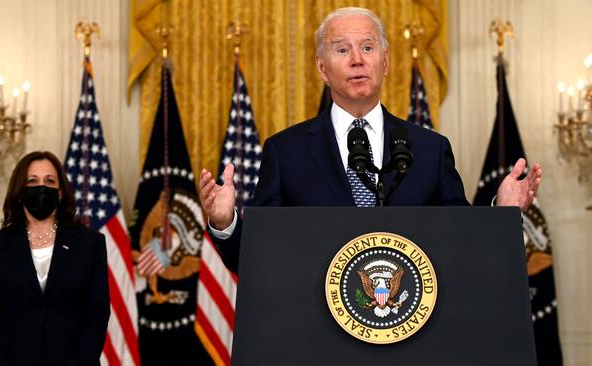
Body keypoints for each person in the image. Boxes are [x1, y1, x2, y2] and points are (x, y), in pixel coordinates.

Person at [198, 7, 542, 274]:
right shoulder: (286, 151)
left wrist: (503, 214)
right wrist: (226, 222)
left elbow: (462, 244)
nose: (357, 59)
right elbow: (257, 257)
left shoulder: (430, 150)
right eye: (342, 49)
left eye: (367, 47)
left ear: (386, 61)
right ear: (322, 68)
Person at [0, 151, 110, 366]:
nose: (41, 187)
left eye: (49, 181)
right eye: (32, 181)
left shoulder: (90, 244)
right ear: (20, 191)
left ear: (60, 192)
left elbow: (97, 317)